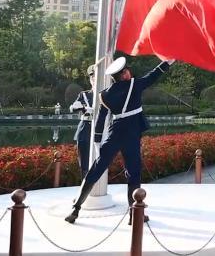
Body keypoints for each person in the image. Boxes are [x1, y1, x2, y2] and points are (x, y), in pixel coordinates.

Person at [65, 57, 173, 225]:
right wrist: (168, 61)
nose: (129, 72)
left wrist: (98, 141)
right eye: (127, 70)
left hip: (114, 133)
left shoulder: (104, 95)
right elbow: (154, 75)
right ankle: (134, 214)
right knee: (133, 173)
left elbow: (101, 118)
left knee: (96, 169)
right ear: (124, 74)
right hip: (131, 133)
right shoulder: (134, 85)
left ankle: (76, 208)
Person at [70, 64, 96, 178]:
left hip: (101, 129)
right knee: (84, 163)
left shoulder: (108, 94)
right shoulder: (84, 94)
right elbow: (72, 108)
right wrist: (79, 107)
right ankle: (85, 187)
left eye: (96, 77)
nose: (94, 79)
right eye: (92, 77)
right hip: (85, 128)